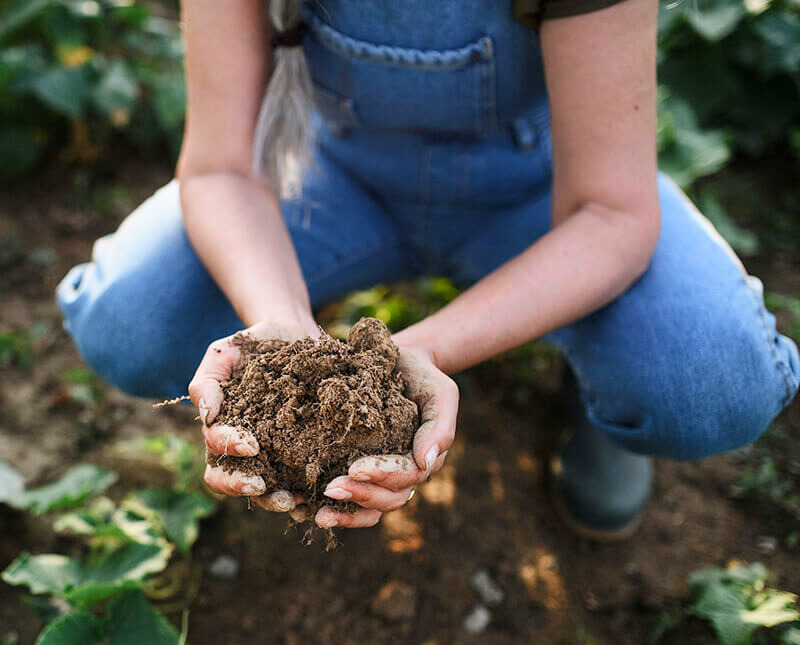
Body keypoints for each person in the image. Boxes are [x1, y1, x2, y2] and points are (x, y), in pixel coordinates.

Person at [57, 0, 800, 541]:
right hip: (330, 174)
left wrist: (420, 353)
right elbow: (222, 167)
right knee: (133, 323)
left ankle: (602, 398)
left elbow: (611, 213)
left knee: (709, 384)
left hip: (545, 192)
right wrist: (280, 332)